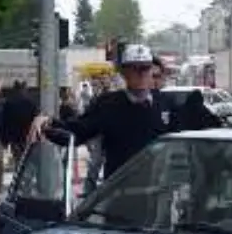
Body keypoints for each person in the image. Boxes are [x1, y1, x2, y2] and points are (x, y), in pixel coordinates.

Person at [28, 44, 181, 181]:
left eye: (145, 68)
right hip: (119, 190)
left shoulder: (165, 103)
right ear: (124, 73)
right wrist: (48, 123)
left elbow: (187, 140)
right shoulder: (108, 104)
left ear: (152, 71)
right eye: (134, 68)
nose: (140, 74)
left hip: (158, 190)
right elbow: (78, 131)